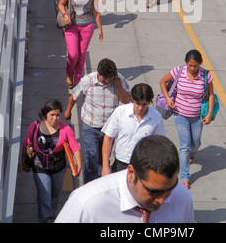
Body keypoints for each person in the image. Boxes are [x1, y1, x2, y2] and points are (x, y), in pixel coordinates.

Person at [55, 135, 195, 223]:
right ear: (131, 173)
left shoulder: (182, 196)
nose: (162, 199)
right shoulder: (85, 205)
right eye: (153, 191)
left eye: (169, 190)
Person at [64, 58, 131, 183]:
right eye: (103, 79)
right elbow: (74, 96)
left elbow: (127, 101)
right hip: (90, 126)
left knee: (104, 160)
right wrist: (68, 110)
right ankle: (88, 186)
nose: (106, 81)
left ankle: (100, 185)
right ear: (98, 73)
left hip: (109, 130)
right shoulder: (87, 80)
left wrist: (119, 87)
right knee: (91, 158)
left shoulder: (119, 80)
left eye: (109, 79)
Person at [160, 49, 215, 189]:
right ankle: (184, 176)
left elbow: (211, 95)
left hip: (197, 116)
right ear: (186, 63)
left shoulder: (206, 75)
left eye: (195, 65)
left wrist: (209, 113)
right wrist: (167, 98)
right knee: (184, 145)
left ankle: (193, 153)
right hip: (180, 115)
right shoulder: (178, 71)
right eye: (190, 65)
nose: (192, 68)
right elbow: (163, 81)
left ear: (200, 64)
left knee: (196, 143)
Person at [22, 99, 81, 223]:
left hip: (59, 169)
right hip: (40, 169)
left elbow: (75, 147)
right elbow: (26, 144)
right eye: (52, 115)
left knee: (55, 197)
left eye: (58, 115)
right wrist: (25, 163)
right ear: (45, 114)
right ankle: (46, 220)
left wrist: (78, 165)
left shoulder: (65, 129)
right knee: (44, 198)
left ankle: (50, 216)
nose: (55, 118)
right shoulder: (34, 127)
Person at [101, 83, 166, 175]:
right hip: (120, 165)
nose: (140, 108)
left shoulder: (156, 117)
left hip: (143, 166)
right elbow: (108, 139)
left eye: (144, 104)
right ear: (132, 99)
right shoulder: (120, 112)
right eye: (137, 103)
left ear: (149, 102)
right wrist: (105, 166)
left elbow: (160, 144)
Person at [58, 0, 103, 89]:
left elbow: (96, 12)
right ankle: (69, 74)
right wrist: (65, 15)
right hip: (71, 26)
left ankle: (77, 81)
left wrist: (100, 29)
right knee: (73, 55)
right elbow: (61, 4)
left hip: (87, 27)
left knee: (82, 55)